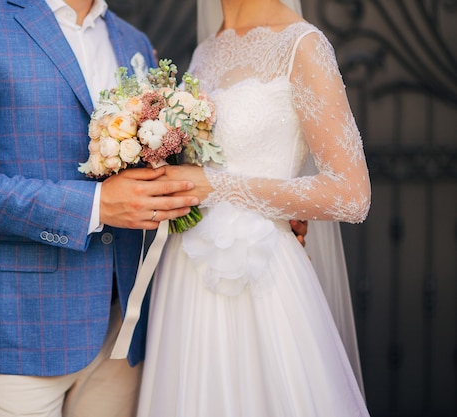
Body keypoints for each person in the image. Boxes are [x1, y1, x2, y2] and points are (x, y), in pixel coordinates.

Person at [0, 0, 200, 416]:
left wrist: (260, 213)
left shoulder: (132, 40)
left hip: (125, 327)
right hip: (21, 326)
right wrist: (95, 205)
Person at [136, 0, 372, 415]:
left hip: (258, 270)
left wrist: (216, 186)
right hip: (185, 272)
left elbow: (350, 195)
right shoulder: (206, 49)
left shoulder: (303, 44)